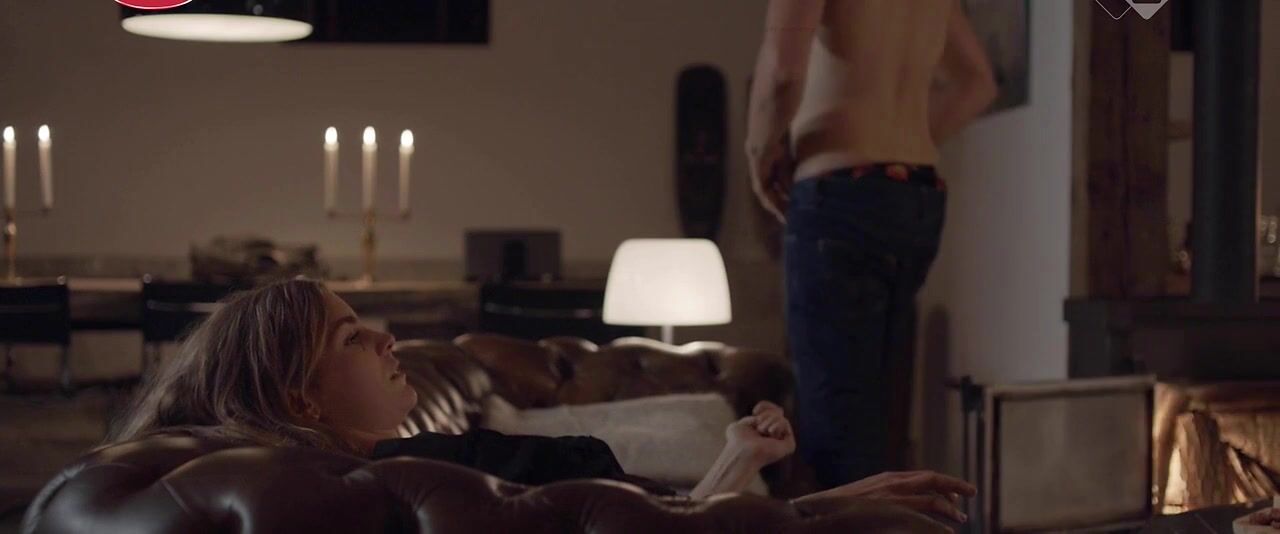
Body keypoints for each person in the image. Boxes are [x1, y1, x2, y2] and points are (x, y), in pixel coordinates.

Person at [108, 279, 974, 523]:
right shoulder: (418, 480)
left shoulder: (417, 464)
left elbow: (651, 526)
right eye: (351, 338)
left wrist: (748, 465)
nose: (386, 340)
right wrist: (818, 511)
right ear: (299, 396)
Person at [745, 0, 997, 488]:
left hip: (840, 192)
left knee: (834, 428)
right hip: (916, 195)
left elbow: (782, 73)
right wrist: (897, 146)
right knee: (878, 416)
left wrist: (760, 155)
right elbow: (977, 82)